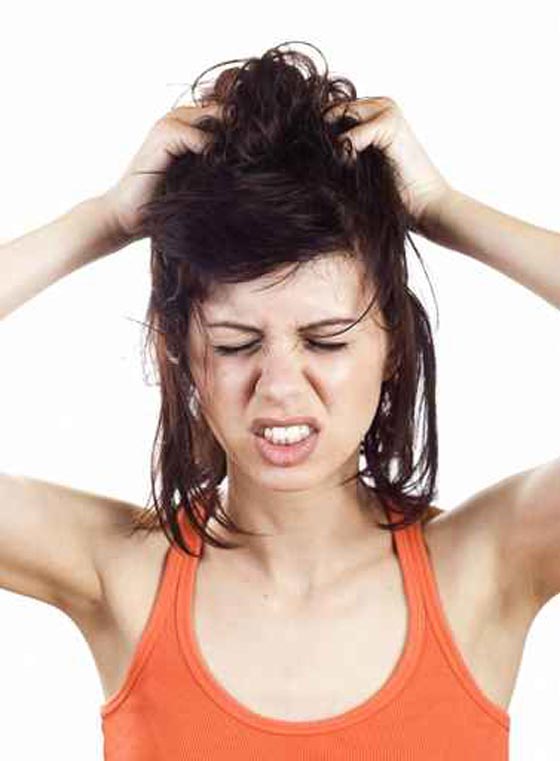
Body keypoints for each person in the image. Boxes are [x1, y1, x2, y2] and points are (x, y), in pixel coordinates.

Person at [1, 42, 559, 759]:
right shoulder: (119, 574)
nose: (281, 387)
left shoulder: (486, 567)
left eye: (326, 340)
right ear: (180, 350)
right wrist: (104, 219)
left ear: (393, 344)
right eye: (236, 344)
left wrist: (444, 209)